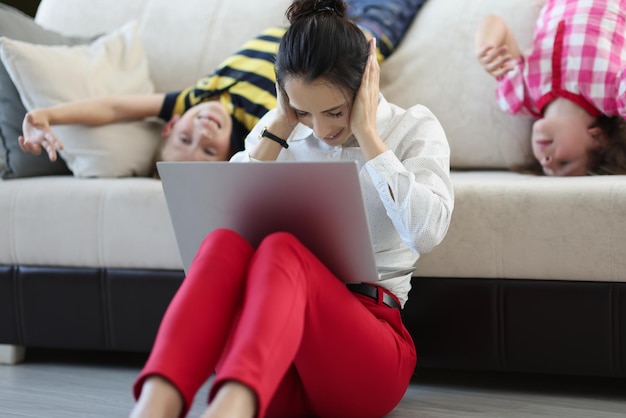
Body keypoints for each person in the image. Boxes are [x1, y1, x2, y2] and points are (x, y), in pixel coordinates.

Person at [129, 0, 453, 417]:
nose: (320, 129)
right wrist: (281, 126)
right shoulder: (279, 129)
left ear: (365, 82)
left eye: (335, 112)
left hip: (363, 354)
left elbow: (426, 232)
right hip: (271, 360)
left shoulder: (413, 127)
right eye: (304, 111)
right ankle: (154, 407)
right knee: (223, 244)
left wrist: (368, 135)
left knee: (283, 249)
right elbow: (213, 240)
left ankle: (230, 409)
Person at [18, 0, 428, 173]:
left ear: (170, 122)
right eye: (210, 149)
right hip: (358, 39)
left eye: (185, 135)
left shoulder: (194, 96)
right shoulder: (266, 122)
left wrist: (46, 114)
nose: (202, 131)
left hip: (309, 26)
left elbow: (113, 108)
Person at [475, 0, 626, 176]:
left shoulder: (522, 96)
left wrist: (485, 48)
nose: (546, 160)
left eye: (545, 168)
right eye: (564, 163)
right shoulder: (612, 94)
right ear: (597, 138)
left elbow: (494, 21)